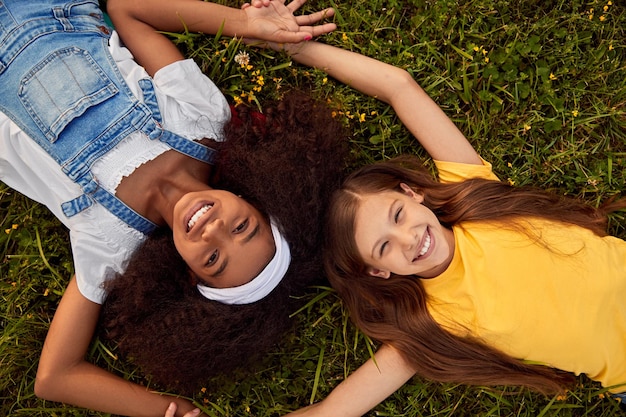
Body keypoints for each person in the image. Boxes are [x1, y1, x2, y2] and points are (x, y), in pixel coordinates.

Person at [242, 39, 624, 416]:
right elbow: (333, 412)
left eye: (397, 214)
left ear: (412, 193)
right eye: (384, 247)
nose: (409, 238)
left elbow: (398, 86)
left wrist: (283, 43)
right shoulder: (434, 320)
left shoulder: (476, 198)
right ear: (379, 271)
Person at [0, 0, 341, 415]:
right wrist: (244, 23)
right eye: (242, 228)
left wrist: (173, 412)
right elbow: (128, 10)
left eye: (213, 259)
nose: (212, 229)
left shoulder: (111, 242)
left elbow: (55, 376)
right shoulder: (204, 122)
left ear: (189, 273)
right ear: (254, 200)